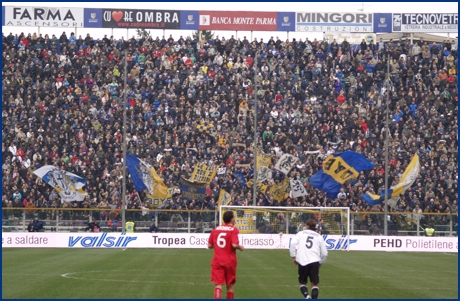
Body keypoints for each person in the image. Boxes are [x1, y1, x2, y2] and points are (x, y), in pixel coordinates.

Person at [208, 211, 244, 299]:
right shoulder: (234, 229)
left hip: (217, 261)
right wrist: (241, 247)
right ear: (231, 219)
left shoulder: (216, 229)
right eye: (234, 217)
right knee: (230, 286)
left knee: (218, 285)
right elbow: (234, 244)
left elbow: (209, 245)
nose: (234, 219)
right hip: (229, 261)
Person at [289, 219, 328, 299]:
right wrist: (320, 263)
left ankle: (306, 296)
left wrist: (294, 256)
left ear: (307, 226)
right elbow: (324, 253)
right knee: (314, 284)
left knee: (302, 283)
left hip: (302, 261)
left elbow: (292, 244)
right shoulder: (319, 236)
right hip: (314, 261)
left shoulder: (300, 233)